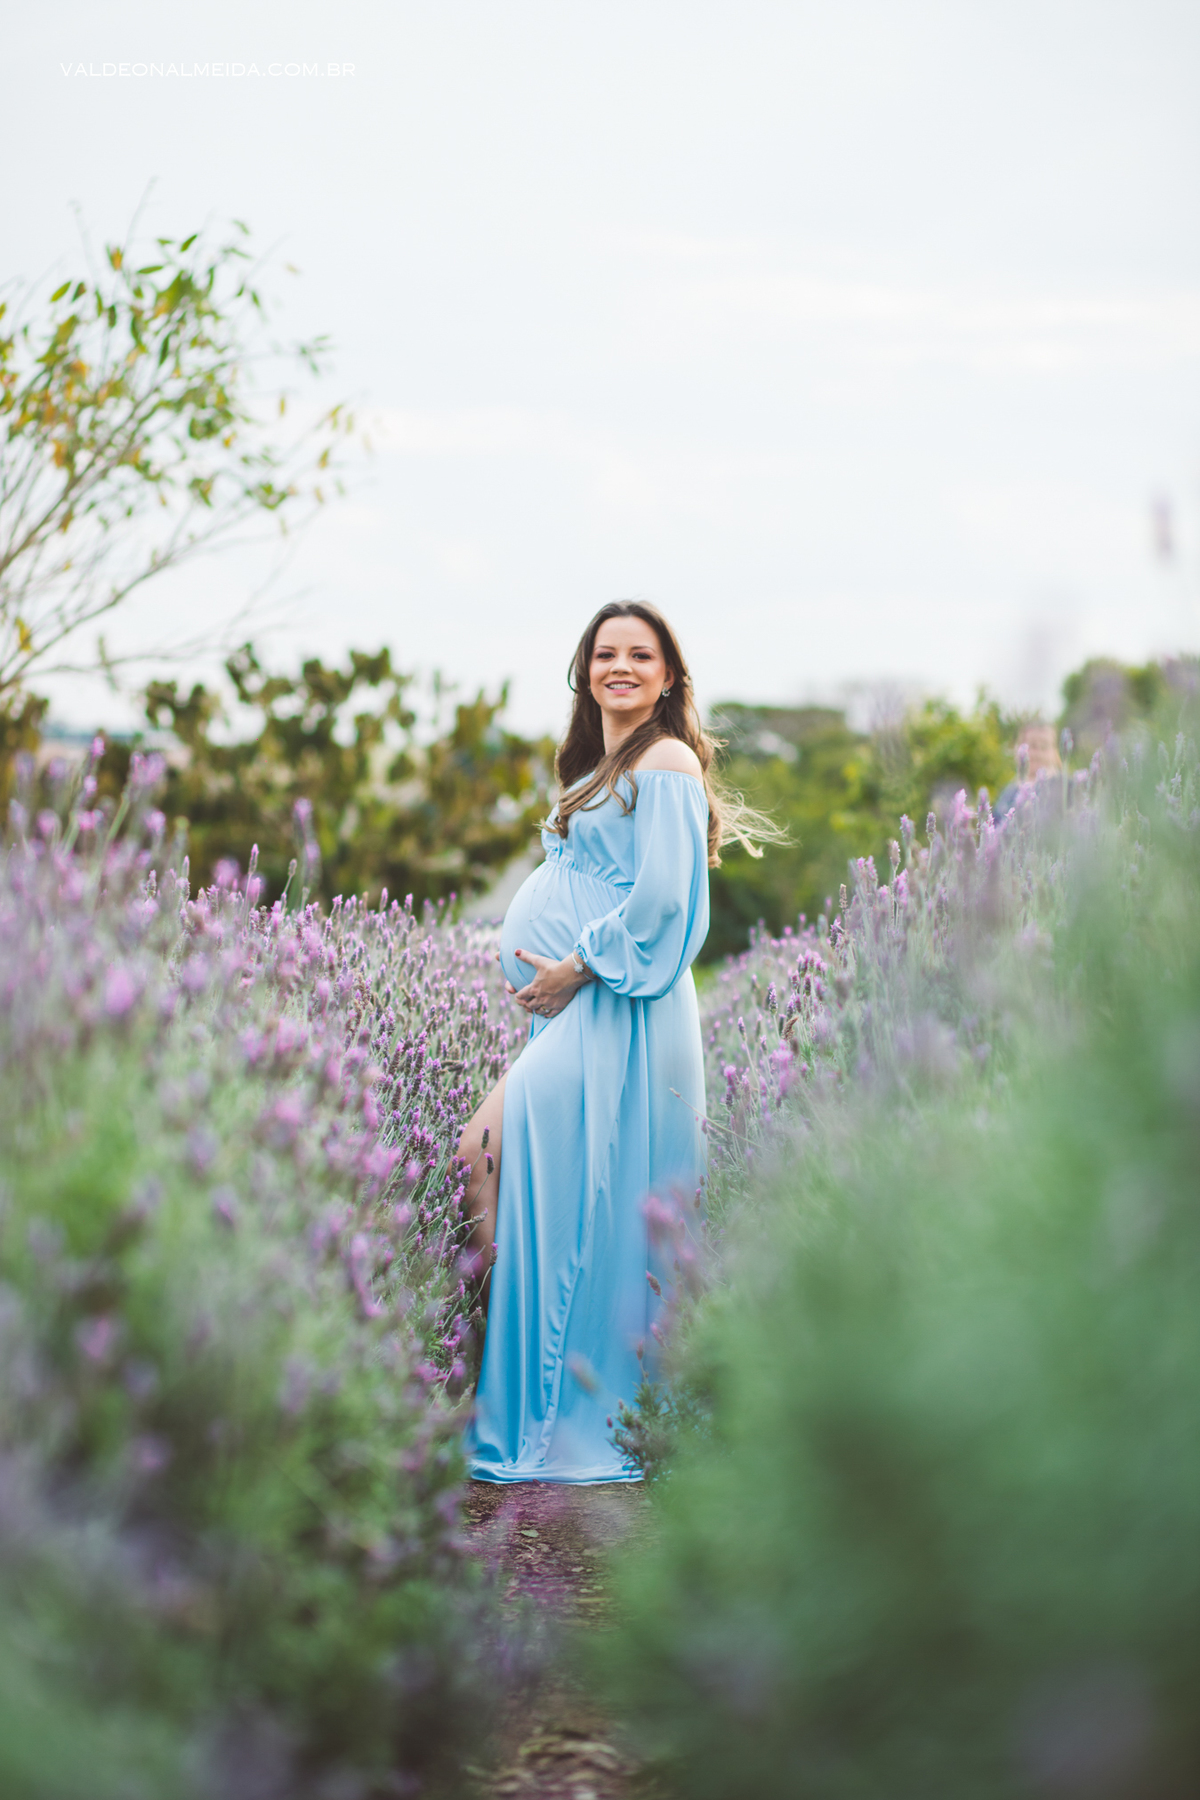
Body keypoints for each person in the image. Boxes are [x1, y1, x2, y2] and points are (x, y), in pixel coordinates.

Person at [459, 602, 774, 1483]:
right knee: (539, 1185)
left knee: (485, 1154)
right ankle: (528, 1392)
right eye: (607, 654)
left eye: (643, 655)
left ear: (669, 677)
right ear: (584, 670)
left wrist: (574, 966)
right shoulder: (602, 766)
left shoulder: (667, 761)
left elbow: (664, 903)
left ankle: (551, 1401)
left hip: (619, 1003)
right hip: (588, 1004)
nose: (623, 666)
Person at [992, 721, 1063, 826]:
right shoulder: (1008, 794)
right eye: (1033, 746)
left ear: (1055, 752)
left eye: (1044, 747)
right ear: (1018, 749)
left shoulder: (1065, 790)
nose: (1038, 753)